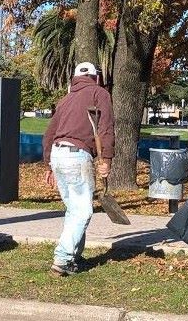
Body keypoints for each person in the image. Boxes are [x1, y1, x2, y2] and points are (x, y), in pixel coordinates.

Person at [41, 62, 115, 277]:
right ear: (96, 77)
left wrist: (48, 165)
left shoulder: (65, 100)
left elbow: (49, 134)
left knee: (74, 209)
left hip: (57, 154)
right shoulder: (99, 93)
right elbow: (106, 127)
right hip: (76, 155)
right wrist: (107, 159)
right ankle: (62, 259)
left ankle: (73, 257)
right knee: (83, 210)